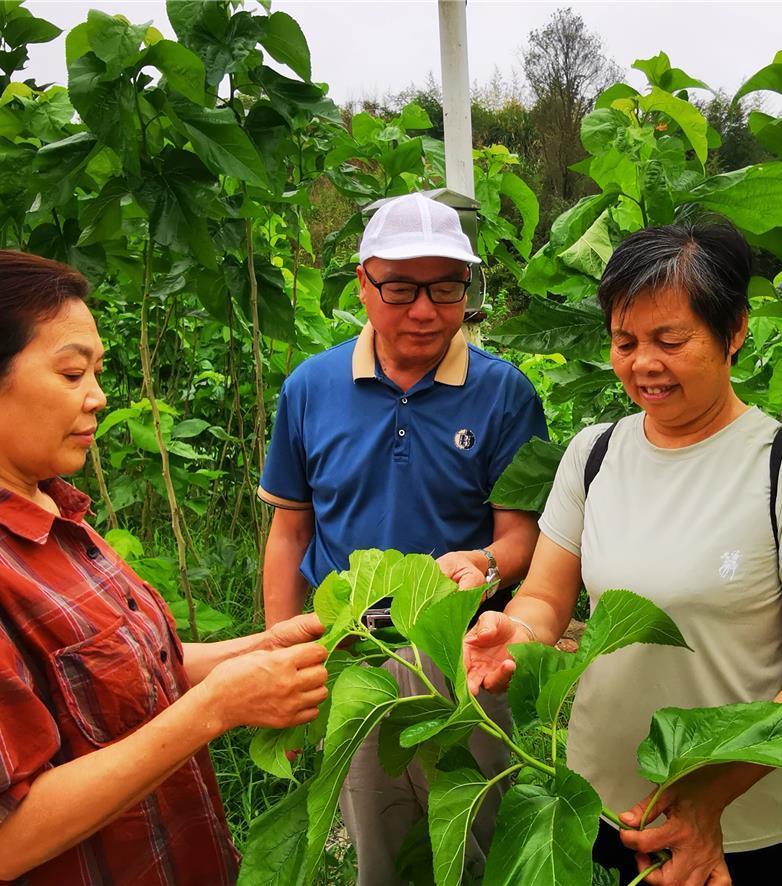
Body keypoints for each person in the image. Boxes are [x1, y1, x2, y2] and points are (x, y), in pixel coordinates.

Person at [0, 250, 330, 885]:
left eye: (96, 372)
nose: (96, 397)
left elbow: (124, 676)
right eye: (71, 374)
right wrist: (216, 708)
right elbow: (3, 838)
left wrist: (262, 647)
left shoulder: (42, 510)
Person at [461, 225, 782, 886]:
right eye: (625, 342)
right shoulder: (593, 454)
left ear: (733, 330)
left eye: (670, 341)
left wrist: (712, 792)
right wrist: (518, 631)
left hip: (744, 832)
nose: (643, 364)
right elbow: (546, 596)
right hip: (601, 812)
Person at [257, 192, 550, 884]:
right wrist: (283, 653)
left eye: (447, 289)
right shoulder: (311, 388)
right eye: (400, 288)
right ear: (363, 284)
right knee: (377, 846)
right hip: (353, 650)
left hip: (465, 655)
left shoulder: (504, 394)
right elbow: (290, 529)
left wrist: (481, 560)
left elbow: (520, 540)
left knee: (475, 842)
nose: (425, 310)